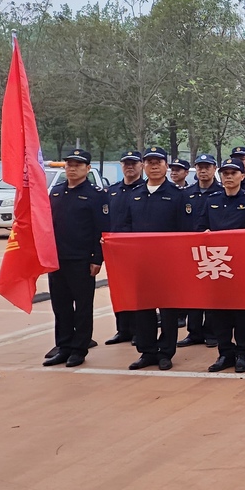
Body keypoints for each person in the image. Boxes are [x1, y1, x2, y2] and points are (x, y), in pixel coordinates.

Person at [43, 148, 107, 367]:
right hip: (57, 258)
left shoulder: (96, 195)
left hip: (81, 259)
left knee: (82, 306)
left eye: (78, 165)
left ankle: (79, 349)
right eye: (69, 165)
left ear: (88, 169)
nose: (72, 169)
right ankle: (63, 346)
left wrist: (97, 258)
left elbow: (101, 229)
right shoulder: (57, 192)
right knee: (60, 306)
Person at [124, 146, 185, 371]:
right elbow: (126, 227)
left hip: (168, 264)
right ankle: (147, 351)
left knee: (168, 310)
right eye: (149, 162)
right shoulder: (135, 194)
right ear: (144, 166)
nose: (154, 166)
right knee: (143, 308)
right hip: (141, 263)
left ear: (166, 166)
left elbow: (184, 231)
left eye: (158, 162)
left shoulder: (178, 196)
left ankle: (166, 352)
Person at [201, 158, 245, 373]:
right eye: (225, 173)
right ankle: (224, 353)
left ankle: (241, 353)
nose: (228, 176)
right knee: (219, 313)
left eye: (233, 173)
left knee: (242, 314)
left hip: (242, 266)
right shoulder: (211, 200)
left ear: (242, 175)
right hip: (217, 265)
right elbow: (200, 228)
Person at [178, 152, 220, 349]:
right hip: (189, 249)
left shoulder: (220, 193)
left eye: (207, 167)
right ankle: (194, 332)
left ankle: (212, 332)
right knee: (193, 292)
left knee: (212, 293)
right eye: (200, 166)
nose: (203, 170)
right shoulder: (186, 194)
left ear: (214, 169)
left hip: (213, 251)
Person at [103, 148, 144, 346]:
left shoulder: (145, 190)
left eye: (133, 163)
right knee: (119, 289)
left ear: (141, 166)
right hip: (114, 249)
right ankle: (123, 329)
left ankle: (138, 330)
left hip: (137, 249)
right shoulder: (112, 191)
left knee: (137, 291)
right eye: (126, 164)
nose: (129, 167)